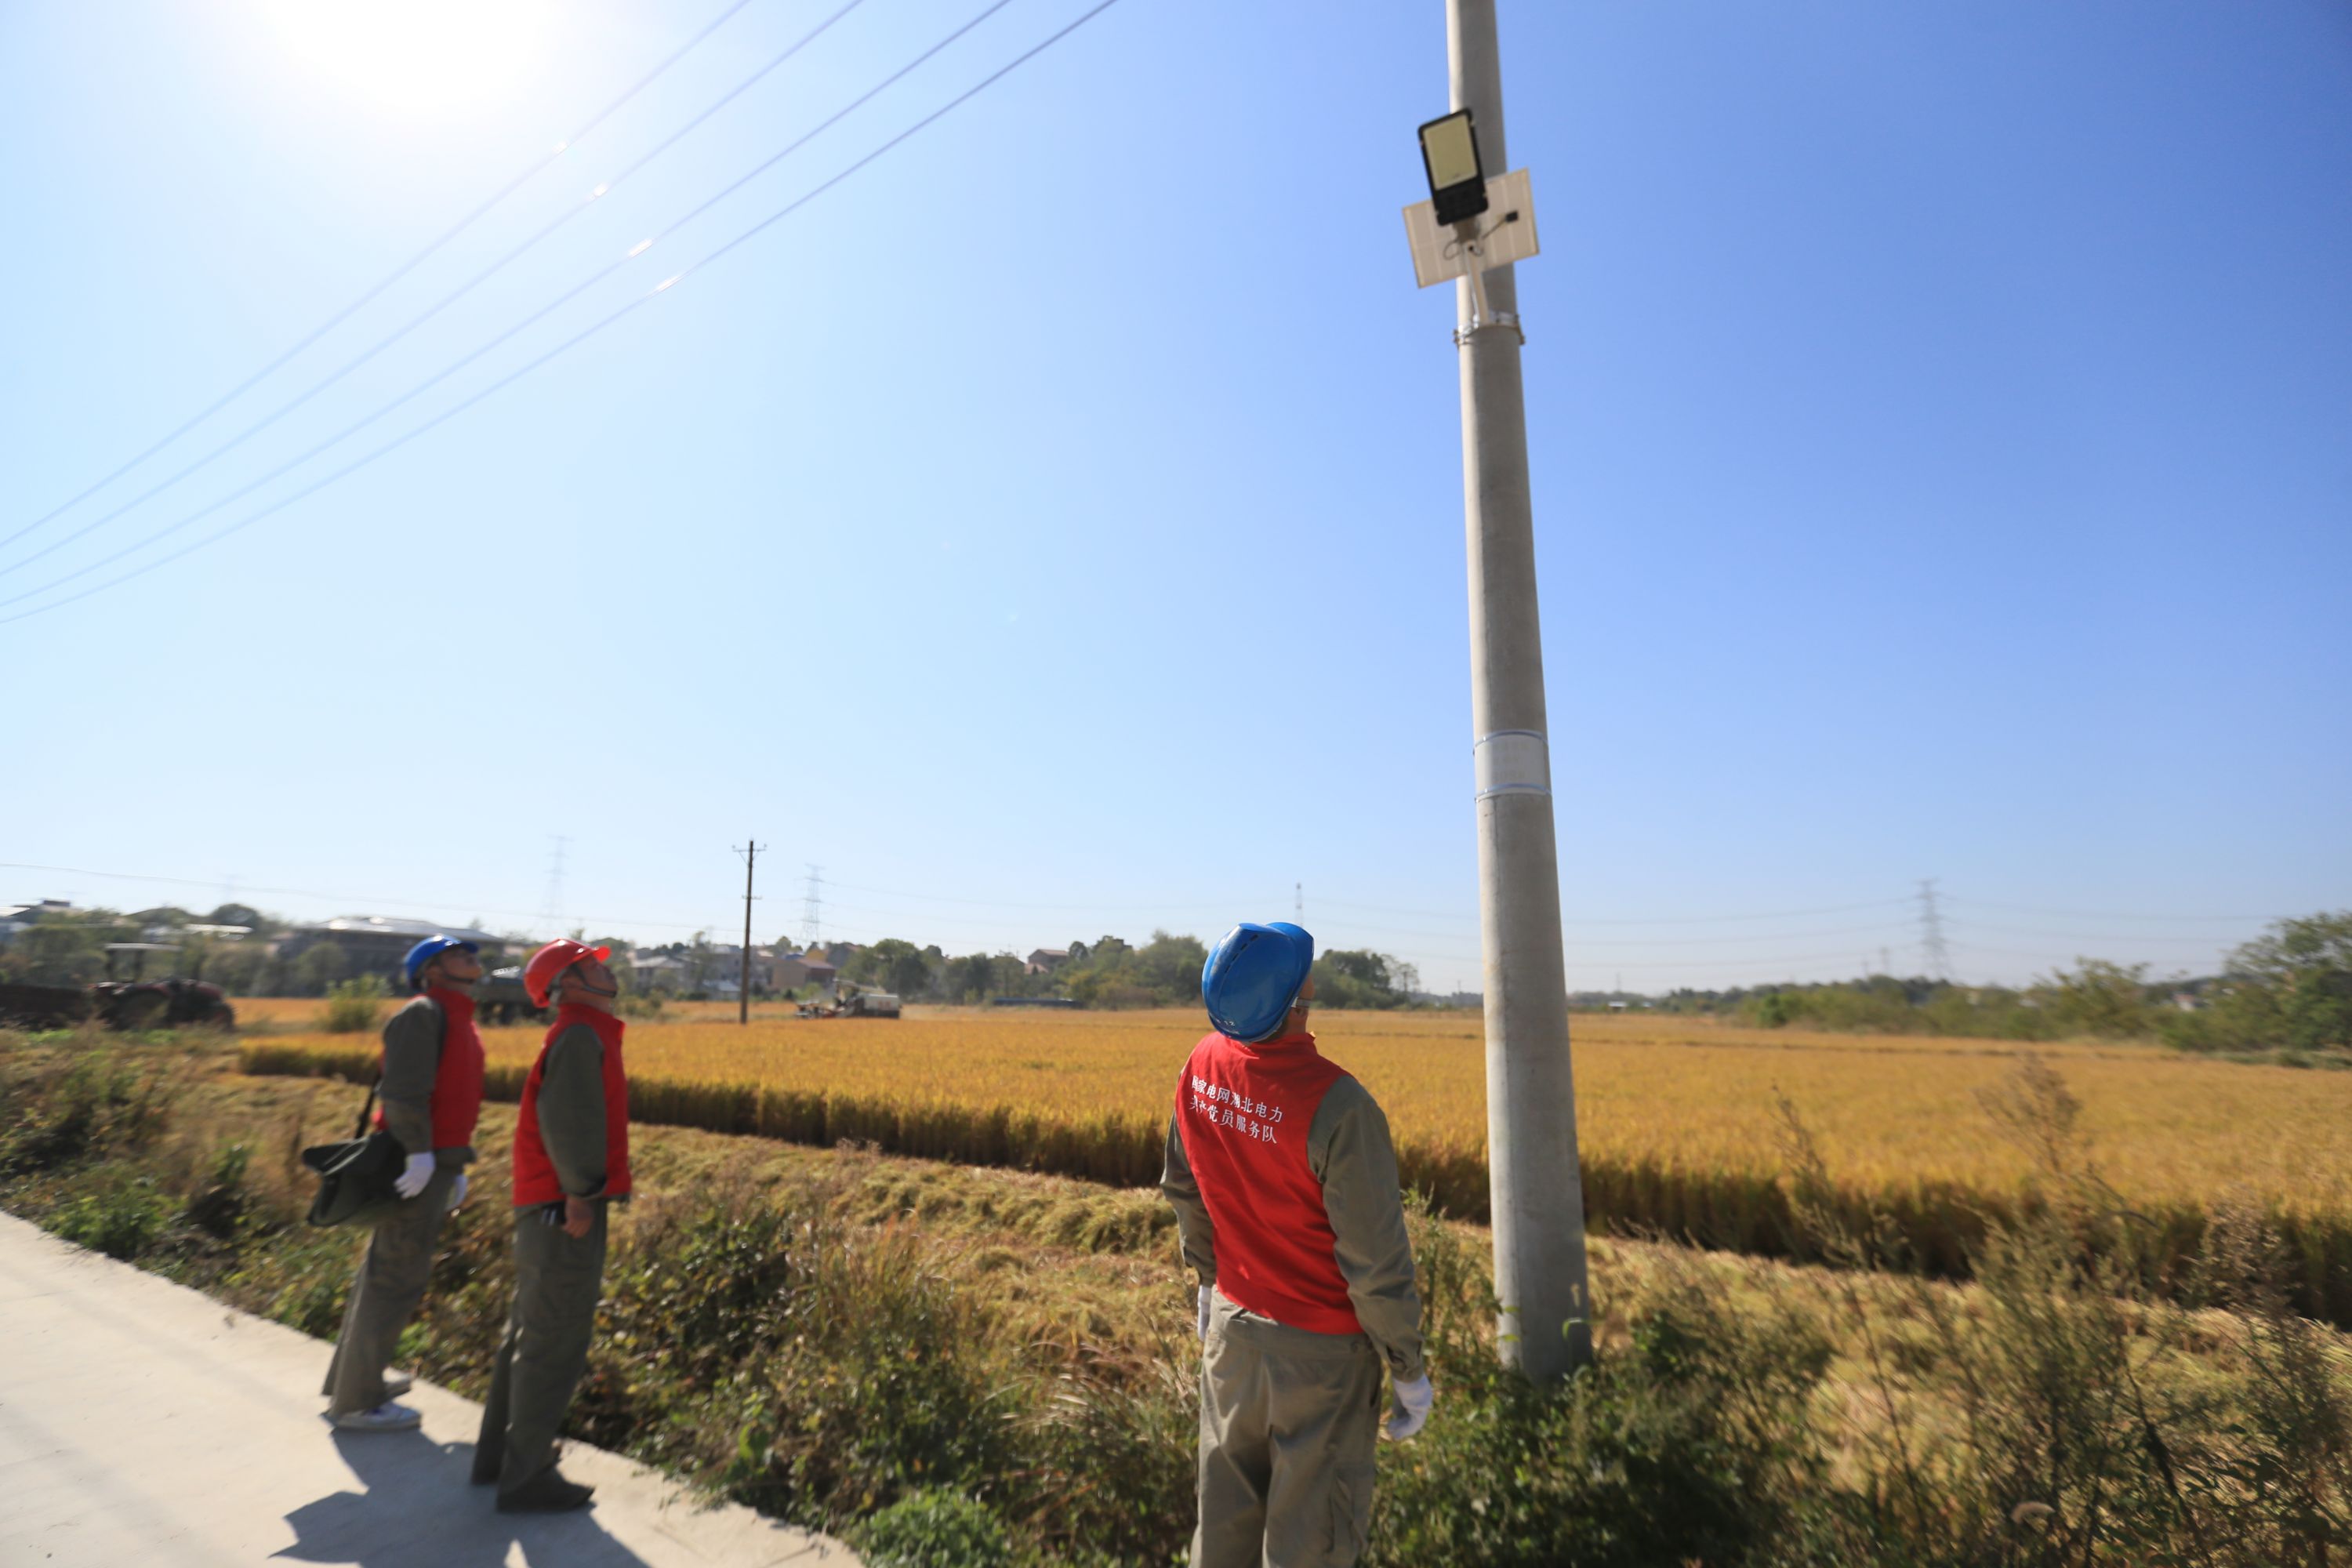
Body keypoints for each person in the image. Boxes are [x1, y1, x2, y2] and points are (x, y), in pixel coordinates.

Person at [1162, 921, 1433, 1568]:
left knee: (1223, 1531)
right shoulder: (1339, 1106)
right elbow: (1374, 1263)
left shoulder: (1201, 1067)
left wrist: (1208, 1281)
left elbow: (1184, 1186)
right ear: (1296, 1002)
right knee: (1308, 1548)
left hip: (1232, 1340)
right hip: (1322, 1363)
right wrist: (1408, 1367)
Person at [471, 938, 632, 1513]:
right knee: (553, 1340)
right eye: (591, 965)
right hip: (562, 1207)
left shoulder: (579, 1032)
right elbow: (570, 1124)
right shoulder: (581, 1034)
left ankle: (502, 1459)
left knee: (531, 1333)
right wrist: (581, 1196)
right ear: (569, 983)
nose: (605, 970)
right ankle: (527, 1477)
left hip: (549, 1201)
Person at [322, 935, 488, 1431]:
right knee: (395, 1276)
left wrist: (453, 1165)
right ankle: (358, 1402)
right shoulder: (423, 1014)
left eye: (470, 954)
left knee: (387, 1270)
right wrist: (419, 1154)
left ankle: (353, 1380)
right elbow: (402, 1093)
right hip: (415, 1163)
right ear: (430, 971)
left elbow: (452, 1101)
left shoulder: (457, 1016)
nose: (470, 959)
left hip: (437, 1163)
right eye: (457, 954)